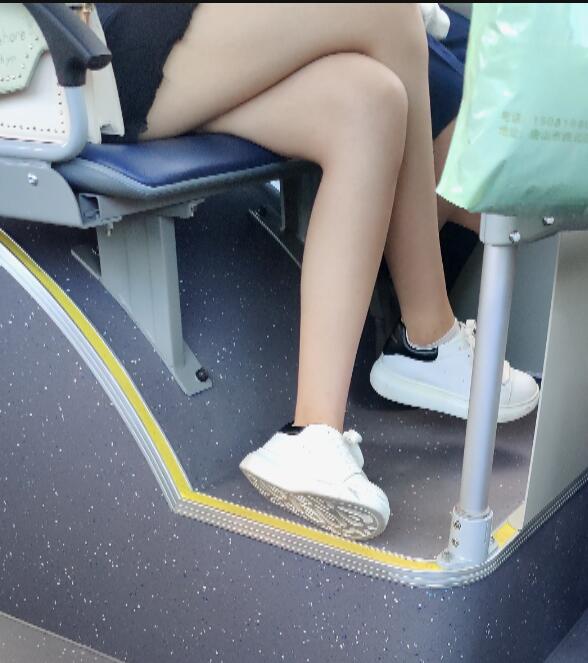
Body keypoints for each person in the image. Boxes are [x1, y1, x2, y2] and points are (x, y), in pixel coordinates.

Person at [95, 3, 539, 541]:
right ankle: (427, 335)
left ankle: (312, 433)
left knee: (370, 104)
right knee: (391, 13)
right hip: (99, 51)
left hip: (178, 49)